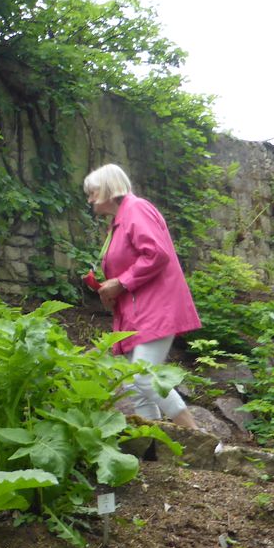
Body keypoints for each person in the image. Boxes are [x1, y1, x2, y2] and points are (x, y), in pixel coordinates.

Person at [83, 163, 200, 429]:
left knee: (143, 378)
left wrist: (120, 283)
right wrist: (109, 288)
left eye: (93, 192)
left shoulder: (136, 209)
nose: (89, 199)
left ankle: (200, 439)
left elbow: (157, 254)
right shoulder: (119, 221)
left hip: (155, 309)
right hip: (134, 313)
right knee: (134, 385)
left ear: (109, 189)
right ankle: (151, 447)